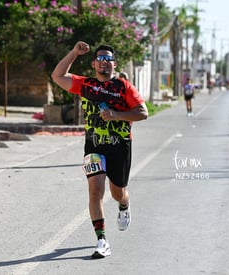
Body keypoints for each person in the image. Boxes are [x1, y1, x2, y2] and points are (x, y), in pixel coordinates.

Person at [51, 41, 148, 259]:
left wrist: (116, 115)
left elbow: (143, 112)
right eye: (100, 59)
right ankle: (102, 240)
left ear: (114, 64)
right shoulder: (85, 85)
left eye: (108, 59)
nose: (104, 63)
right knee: (95, 190)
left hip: (119, 145)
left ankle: (124, 204)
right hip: (94, 145)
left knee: (117, 192)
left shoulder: (124, 87)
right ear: (94, 63)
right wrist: (74, 53)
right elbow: (57, 76)